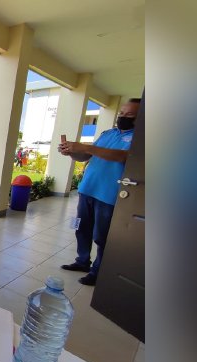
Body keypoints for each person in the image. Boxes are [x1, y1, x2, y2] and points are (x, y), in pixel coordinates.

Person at [58, 98, 140, 286]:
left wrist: (86, 146)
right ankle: (82, 261)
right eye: (121, 113)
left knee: (101, 236)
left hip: (109, 195)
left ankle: (98, 270)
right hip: (87, 190)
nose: (122, 117)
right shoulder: (107, 133)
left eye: (129, 115)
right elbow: (85, 156)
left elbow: (121, 157)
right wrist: (71, 152)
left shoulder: (139, 138)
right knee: (80, 228)